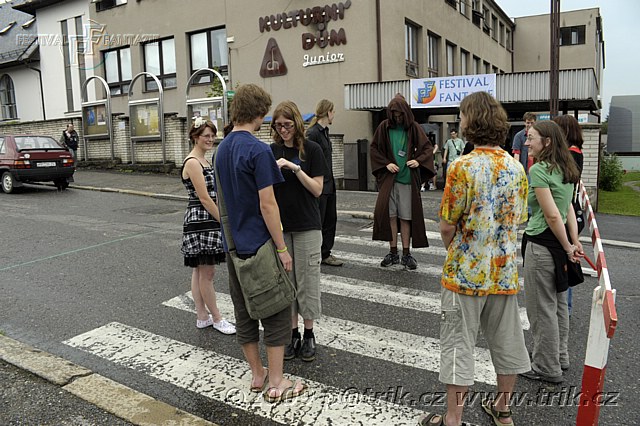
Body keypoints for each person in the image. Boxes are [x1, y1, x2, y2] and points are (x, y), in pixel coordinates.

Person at [421, 91, 531, 426]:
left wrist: (458, 251)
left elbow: (446, 225)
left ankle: (453, 419)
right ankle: (503, 409)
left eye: (462, 115)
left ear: (472, 121)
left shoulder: (461, 167)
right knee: (507, 342)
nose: (459, 119)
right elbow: (519, 220)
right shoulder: (517, 169)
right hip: (504, 273)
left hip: (465, 274)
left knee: (459, 345)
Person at [214, 84, 306, 403]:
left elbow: (223, 202)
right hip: (261, 245)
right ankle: (277, 381)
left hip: (234, 247)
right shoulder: (259, 150)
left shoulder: (220, 149)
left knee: (244, 312)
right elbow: (268, 205)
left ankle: (257, 375)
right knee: (278, 312)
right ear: (258, 113)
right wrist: (282, 249)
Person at [519, 120, 584, 384]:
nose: (526, 142)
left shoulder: (540, 170)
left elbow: (551, 214)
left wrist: (570, 245)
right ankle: (560, 356)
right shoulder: (567, 167)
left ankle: (546, 367)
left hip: (542, 244)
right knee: (557, 305)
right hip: (559, 245)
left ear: (546, 142)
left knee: (540, 308)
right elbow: (568, 207)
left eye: (531, 137)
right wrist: (573, 241)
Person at [271, 101, 325, 362]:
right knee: (287, 284)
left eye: (288, 124)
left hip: (307, 226)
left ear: (297, 123)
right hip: (282, 228)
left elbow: (317, 189)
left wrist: (295, 169)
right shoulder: (271, 152)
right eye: (278, 125)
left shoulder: (311, 150)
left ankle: (309, 333)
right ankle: (292, 333)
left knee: (308, 282)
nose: (283, 130)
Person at [180, 118, 236, 336]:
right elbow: (204, 197)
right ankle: (217, 318)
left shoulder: (203, 160)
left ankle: (202, 316)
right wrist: (223, 221)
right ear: (196, 137)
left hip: (203, 219)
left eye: (212, 136)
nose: (211, 139)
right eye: (206, 136)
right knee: (207, 272)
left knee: (199, 271)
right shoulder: (193, 162)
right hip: (202, 219)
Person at [370, 94, 434, 270]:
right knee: (390, 216)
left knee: (406, 217)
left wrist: (418, 161)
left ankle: (406, 254)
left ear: (405, 113)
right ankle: (393, 252)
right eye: (394, 115)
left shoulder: (413, 128)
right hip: (390, 181)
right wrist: (386, 164)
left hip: (407, 180)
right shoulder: (384, 127)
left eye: (399, 115)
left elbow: (427, 148)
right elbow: (374, 148)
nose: (397, 118)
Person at [553, 114, 585, 315]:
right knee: (567, 258)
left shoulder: (569, 155)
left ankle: (565, 307)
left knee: (565, 261)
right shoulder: (577, 152)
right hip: (572, 211)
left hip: (567, 212)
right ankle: (565, 307)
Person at [306, 99, 343, 266]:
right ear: (328, 112)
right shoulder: (312, 133)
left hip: (330, 184)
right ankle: (316, 253)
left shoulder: (325, 132)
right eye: (333, 111)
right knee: (319, 222)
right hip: (319, 186)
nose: (334, 115)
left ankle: (325, 253)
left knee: (330, 220)